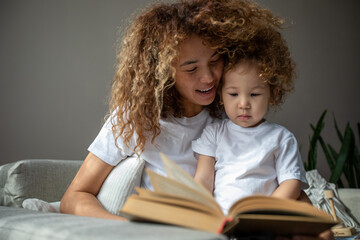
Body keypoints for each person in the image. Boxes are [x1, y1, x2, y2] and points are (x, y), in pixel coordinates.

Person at [60, 0, 332, 239]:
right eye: (191, 68)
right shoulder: (135, 119)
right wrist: (127, 231)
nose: (209, 77)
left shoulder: (230, 114)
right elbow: (74, 197)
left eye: (216, 61)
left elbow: (267, 173)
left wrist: (308, 223)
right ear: (163, 72)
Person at [192, 7, 308, 215]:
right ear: (220, 95)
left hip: (264, 220)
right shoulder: (214, 134)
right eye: (233, 94)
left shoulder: (281, 138)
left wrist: (264, 214)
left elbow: (291, 184)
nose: (243, 104)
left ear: (273, 95)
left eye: (254, 95)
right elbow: (203, 178)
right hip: (223, 220)